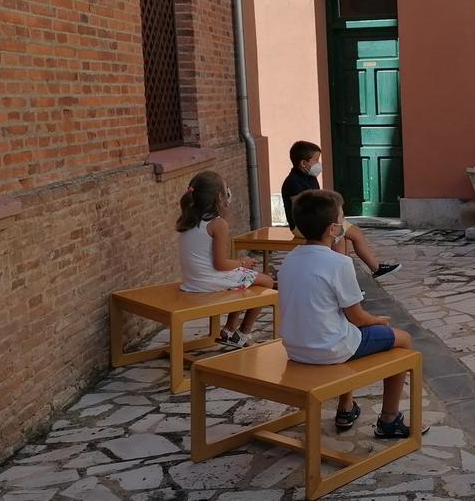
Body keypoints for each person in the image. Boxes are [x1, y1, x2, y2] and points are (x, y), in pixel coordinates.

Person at [278, 189, 429, 436]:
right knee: (403, 340)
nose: (344, 223)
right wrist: (378, 321)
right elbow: (357, 317)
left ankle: (346, 406)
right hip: (329, 348)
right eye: (342, 218)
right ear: (332, 229)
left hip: (295, 347)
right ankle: (389, 419)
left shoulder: (291, 258)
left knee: (348, 332)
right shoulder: (339, 263)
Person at [177, 171, 276, 349]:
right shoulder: (218, 224)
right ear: (219, 197)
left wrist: (239, 267)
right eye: (226, 190)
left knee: (242, 278)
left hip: (193, 281)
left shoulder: (188, 220)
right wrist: (242, 262)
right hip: (209, 282)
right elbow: (221, 264)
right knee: (267, 281)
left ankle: (229, 329)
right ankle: (243, 332)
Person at [281, 140, 401, 278]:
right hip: (304, 225)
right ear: (304, 163)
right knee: (338, 236)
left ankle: (374, 269)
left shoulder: (310, 177)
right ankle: (343, 278)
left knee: (354, 232)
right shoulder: (293, 182)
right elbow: (303, 212)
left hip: (322, 219)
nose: (319, 164)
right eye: (316, 160)